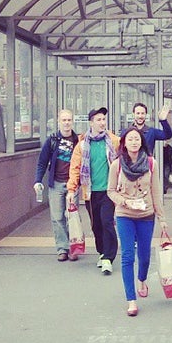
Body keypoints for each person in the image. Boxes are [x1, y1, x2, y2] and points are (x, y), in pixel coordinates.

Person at [107, 127, 168, 317]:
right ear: (124, 143)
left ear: (142, 142)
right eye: (130, 139)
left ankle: (142, 279)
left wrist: (162, 218)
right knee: (127, 256)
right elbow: (110, 191)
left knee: (144, 255)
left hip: (146, 215)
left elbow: (156, 192)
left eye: (137, 139)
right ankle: (131, 300)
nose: (134, 142)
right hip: (124, 214)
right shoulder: (117, 165)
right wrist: (125, 201)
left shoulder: (151, 163)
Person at [67, 107, 120, 275]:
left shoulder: (113, 141)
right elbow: (75, 168)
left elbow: (124, 156)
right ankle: (102, 252)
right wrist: (71, 189)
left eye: (104, 119)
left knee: (107, 222)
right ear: (91, 123)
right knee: (96, 225)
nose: (102, 122)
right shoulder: (82, 144)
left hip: (109, 191)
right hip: (90, 192)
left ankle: (108, 258)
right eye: (98, 120)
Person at [33, 109, 79, 262]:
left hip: (73, 185)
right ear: (59, 122)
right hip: (56, 184)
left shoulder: (78, 141)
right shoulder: (52, 140)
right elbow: (42, 162)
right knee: (57, 217)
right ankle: (62, 248)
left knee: (72, 216)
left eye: (69, 120)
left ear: (73, 121)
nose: (66, 123)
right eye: (64, 120)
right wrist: (38, 180)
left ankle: (74, 248)